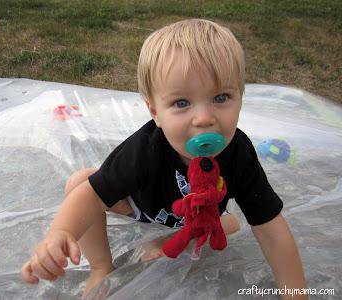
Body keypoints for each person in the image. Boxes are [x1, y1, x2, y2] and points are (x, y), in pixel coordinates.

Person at [21, 19, 307, 298]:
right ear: (155, 112)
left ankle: (187, 233)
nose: (205, 119)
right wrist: (60, 232)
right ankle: (101, 267)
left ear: (241, 98)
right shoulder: (145, 149)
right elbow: (92, 196)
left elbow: (271, 230)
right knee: (80, 183)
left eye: (221, 97)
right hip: (145, 208)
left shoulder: (240, 153)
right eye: (181, 103)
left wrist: (296, 294)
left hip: (202, 213)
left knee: (231, 221)